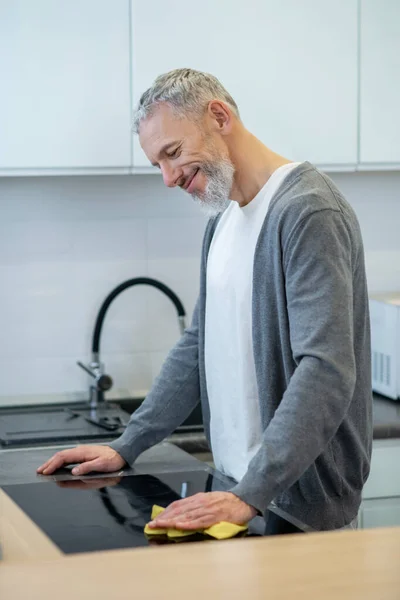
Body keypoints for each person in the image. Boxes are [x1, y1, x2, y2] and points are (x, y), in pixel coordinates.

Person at [38, 68, 372, 531]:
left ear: (219, 116)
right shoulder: (223, 220)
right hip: (237, 494)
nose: (169, 178)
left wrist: (250, 494)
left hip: (298, 504)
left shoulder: (306, 211)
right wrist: (126, 443)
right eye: (158, 163)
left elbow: (326, 371)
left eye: (172, 153)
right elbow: (199, 346)